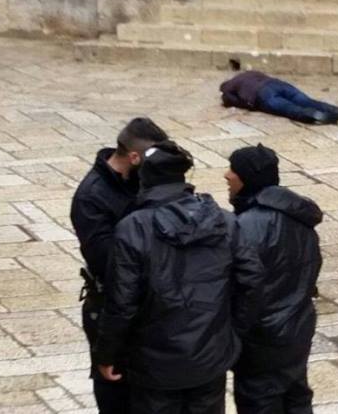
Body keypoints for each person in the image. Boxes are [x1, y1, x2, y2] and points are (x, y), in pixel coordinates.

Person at [95, 140, 262, 414]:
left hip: (154, 362)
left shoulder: (133, 228)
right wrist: (229, 333)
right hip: (208, 356)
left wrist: (107, 354)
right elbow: (252, 282)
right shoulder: (224, 221)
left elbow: (121, 302)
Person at [70, 117, 168, 414]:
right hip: (113, 306)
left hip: (151, 305)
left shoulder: (145, 180)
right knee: (116, 395)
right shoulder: (91, 197)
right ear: (134, 157)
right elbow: (107, 261)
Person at [226, 144, 323, 414]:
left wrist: (236, 331)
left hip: (262, 338)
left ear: (247, 178)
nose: (227, 175)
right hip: (297, 328)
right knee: (296, 396)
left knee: (260, 400)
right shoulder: (300, 218)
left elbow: (243, 287)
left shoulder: (245, 226)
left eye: (233, 170)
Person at [220, 70, 338, 124]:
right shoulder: (249, 73)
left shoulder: (228, 87)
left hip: (261, 94)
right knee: (306, 100)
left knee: (288, 108)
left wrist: (248, 104)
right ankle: (337, 111)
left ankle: (314, 116)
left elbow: (229, 100)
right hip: (277, 83)